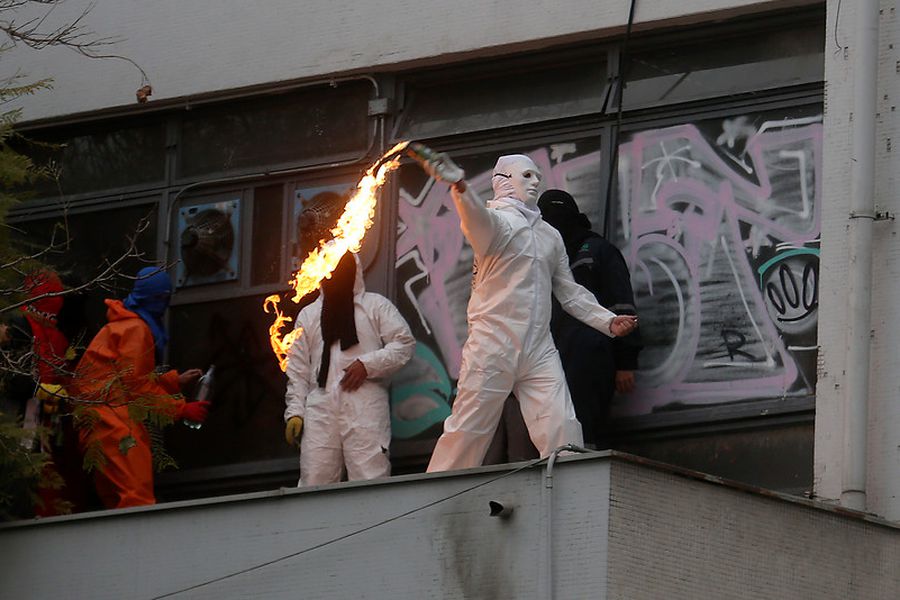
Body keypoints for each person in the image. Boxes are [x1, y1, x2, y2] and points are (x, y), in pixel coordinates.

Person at [406, 144, 638, 472]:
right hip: (492, 343)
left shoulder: (549, 236)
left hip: (539, 348)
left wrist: (608, 321)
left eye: (537, 176)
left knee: (562, 425)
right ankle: (436, 501)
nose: (534, 182)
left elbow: (569, 292)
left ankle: (571, 493)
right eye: (526, 175)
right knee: (468, 431)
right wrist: (459, 188)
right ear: (503, 180)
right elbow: (475, 220)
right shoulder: (496, 224)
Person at [70, 267, 210, 509]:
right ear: (158, 298)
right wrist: (181, 409)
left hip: (96, 422)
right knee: (137, 499)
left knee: (115, 500)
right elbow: (136, 389)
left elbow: (124, 379)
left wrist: (173, 381)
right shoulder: (136, 329)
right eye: (164, 298)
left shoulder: (120, 325)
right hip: (114, 423)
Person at [284, 251, 415, 486]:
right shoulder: (310, 315)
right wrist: (295, 412)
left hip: (365, 403)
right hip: (320, 407)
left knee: (370, 479)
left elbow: (404, 344)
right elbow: (298, 369)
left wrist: (367, 365)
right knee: (314, 480)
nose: (335, 274)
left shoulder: (374, 306)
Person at [539, 189, 643, 448]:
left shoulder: (598, 250)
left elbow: (623, 306)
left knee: (585, 430)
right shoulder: (540, 256)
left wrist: (625, 362)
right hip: (548, 358)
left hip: (592, 357)